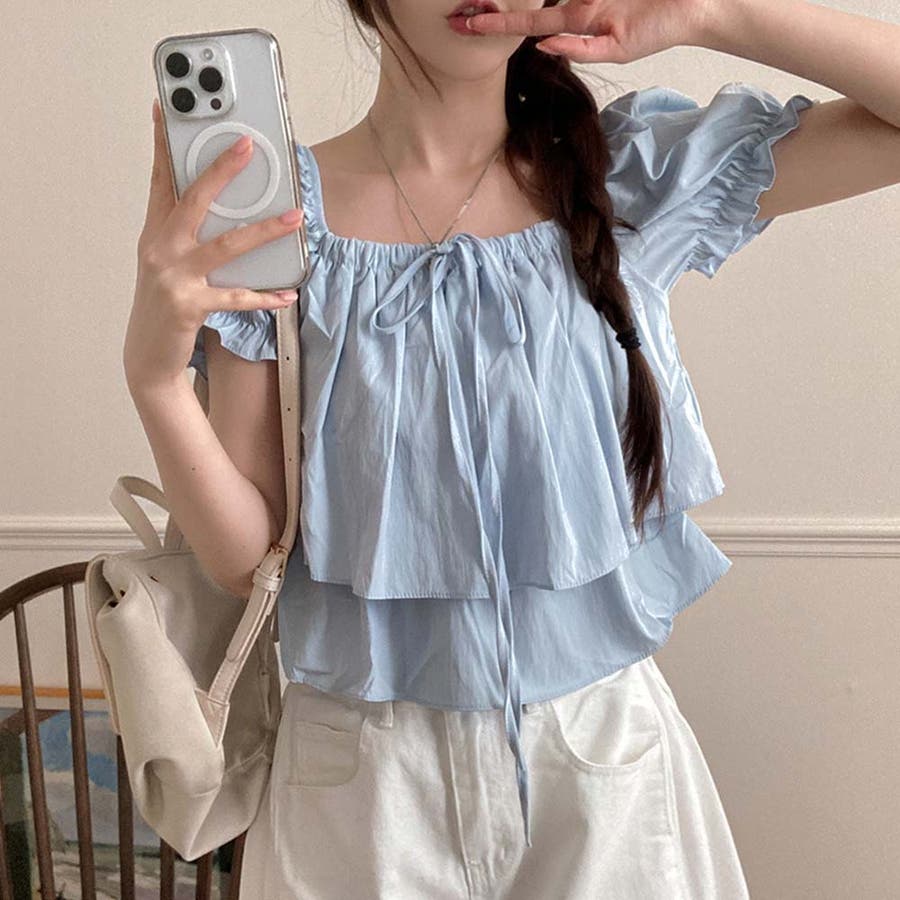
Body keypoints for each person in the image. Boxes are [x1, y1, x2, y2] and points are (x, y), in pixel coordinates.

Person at [127, 1, 900, 897]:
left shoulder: (623, 177)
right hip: (359, 783)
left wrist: (706, 12)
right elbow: (247, 558)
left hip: (601, 767)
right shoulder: (272, 218)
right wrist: (154, 378)